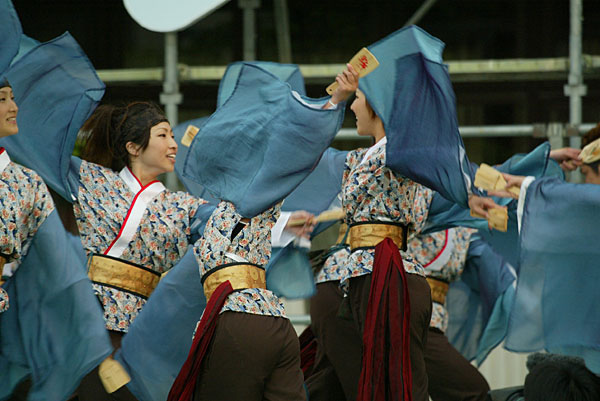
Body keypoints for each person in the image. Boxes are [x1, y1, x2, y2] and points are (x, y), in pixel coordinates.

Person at [0, 79, 111, 400]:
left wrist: (83, 321)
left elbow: (56, 259)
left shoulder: (26, 181)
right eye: (2, 99)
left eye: (12, 98)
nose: (14, 107)